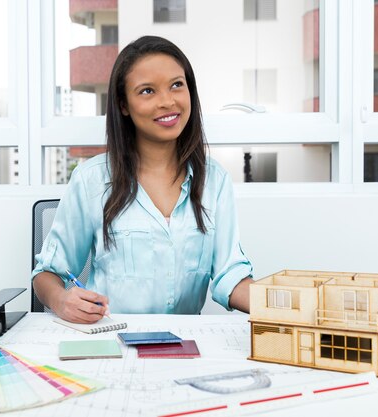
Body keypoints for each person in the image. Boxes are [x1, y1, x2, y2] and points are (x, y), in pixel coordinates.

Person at [32, 35, 253, 324]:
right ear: (124, 105)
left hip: (183, 346)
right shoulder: (91, 180)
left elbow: (230, 275)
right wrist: (62, 300)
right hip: (111, 341)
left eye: (177, 85)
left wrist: (291, 307)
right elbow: (47, 274)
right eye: (147, 91)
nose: (167, 102)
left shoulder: (214, 180)